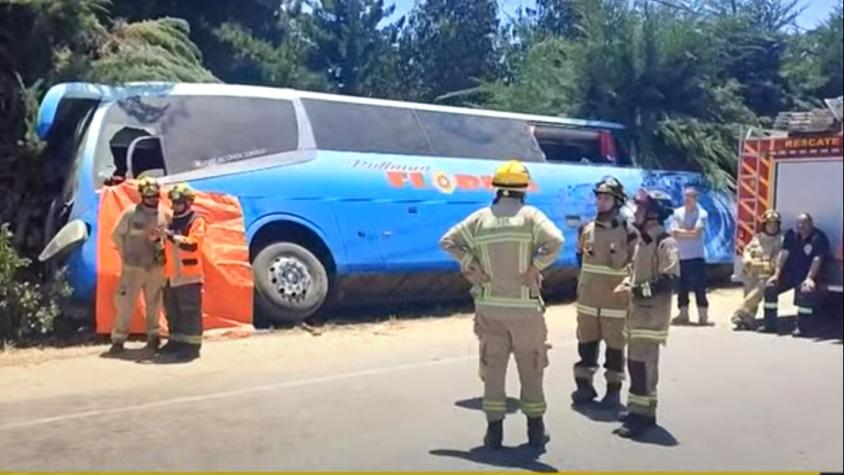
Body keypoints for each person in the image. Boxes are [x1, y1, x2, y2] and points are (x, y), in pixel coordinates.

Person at [439, 159, 564, 449]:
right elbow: (556, 240)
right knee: (530, 366)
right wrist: (536, 265)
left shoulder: (480, 218)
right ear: (523, 189)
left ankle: (493, 432)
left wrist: (472, 263)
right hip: (525, 309)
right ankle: (535, 430)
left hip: (489, 307)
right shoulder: (531, 216)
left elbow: (447, 241)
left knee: (493, 368)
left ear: (497, 188)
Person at [613, 189, 680, 438]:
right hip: (637, 315)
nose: (636, 213)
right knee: (638, 364)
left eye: (641, 209)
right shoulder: (643, 242)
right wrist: (628, 284)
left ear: (653, 214)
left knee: (641, 365)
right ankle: (641, 410)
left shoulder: (666, 243)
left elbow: (669, 280)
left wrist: (637, 290)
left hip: (652, 317)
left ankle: (640, 418)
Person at [571, 177, 638, 409]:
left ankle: (613, 391)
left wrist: (628, 286)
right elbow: (580, 258)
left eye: (606, 198)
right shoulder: (586, 229)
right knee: (586, 344)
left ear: (617, 202)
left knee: (615, 348)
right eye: (599, 197)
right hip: (588, 301)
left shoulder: (629, 232)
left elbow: (636, 265)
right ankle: (584, 386)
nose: (601, 202)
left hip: (615, 303)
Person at [107, 177, 170, 355]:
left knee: (154, 303)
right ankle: (118, 340)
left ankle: (154, 337)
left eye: (155, 195)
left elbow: (173, 237)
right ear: (142, 195)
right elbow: (116, 235)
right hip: (132, 268)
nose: (152, 199)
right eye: (148, 195)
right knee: (125, 304)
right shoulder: (130, 214)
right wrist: (125, 254)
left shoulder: (165, 214)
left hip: (156, 267)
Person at [157, 183, 207, 362]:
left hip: (188, 276)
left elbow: (192, 244)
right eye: (173, 202)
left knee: (189, 312)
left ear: (188, 202)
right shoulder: (171, 220)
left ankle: (192, 347)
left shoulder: (196, 220)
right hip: (170, 277)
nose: (175, 205)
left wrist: (171, 236)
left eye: (179, 202)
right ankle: (175, 342)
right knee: (173, 312)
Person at [759, 213, 830, 337]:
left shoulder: (818, 237)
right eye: (799, 223)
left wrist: (809, 279)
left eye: (804, 223)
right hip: (790, 274)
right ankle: (770, 325)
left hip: (809, 276)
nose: (800, 226)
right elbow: (783, 255)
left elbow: (817, 260)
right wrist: (776, 274)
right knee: (770, 287)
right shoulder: (791, 235)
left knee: (806, 291)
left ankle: (803, 328)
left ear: (811, 224)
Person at [731, 210, 784, 331]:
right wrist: (748, 260)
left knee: (755, 294)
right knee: (749, 293)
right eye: (769, 224)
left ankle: (740, 312)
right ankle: (747, 321)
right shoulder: (758, 238)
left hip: (766, 274)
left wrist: (761, 265)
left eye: (775, 224)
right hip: (751, 272)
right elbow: (747, 250)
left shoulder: (780, 240)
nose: (772, 226)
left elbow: (777, 260)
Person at [670, 186, 711, 326]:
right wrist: (689, 232)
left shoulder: (702, 213)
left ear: (696, 198)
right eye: (686, 196)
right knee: (681, 287)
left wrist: (682, 232)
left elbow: (697, 233)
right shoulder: (678, 212)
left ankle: (703, 315)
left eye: (691, 196)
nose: (688, 199)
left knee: (700, 287)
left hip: (696, 255)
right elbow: (673, 232)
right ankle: (683, 314)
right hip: (681, 255)